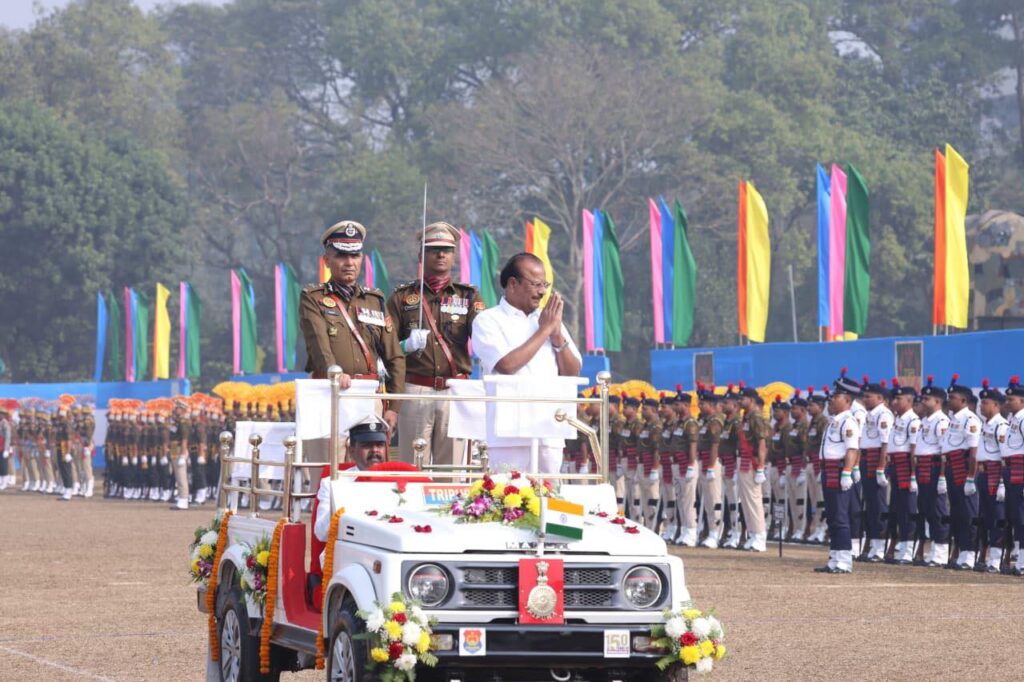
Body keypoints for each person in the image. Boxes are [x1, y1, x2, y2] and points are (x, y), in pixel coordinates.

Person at [471, 253, 582, 473]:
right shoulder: (488, 320)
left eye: (545, 285)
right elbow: (506, 365)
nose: (542, 292)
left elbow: (573, 372)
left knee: (549, 496)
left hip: (549, 426)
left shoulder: (549, 318)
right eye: (535, 284)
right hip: (508, 432)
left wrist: (557, 336)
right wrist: (544, 331)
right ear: (513, 283)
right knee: (508, 497)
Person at [387, 222, 482, 465]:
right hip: (416, 387)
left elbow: (484, 336)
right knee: (411, 465)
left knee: (451, 469)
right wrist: (405, 345)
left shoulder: (468, 296)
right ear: (421, 255)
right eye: (433, 249)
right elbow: (384, 348)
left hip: (455, 388)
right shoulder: (402, 297)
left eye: (446, 250)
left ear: (454, 255)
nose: (441, 254)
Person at [300, 220, 405, 434]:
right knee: (332, 464)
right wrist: (334, 372)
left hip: (369, 395)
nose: (349, 262)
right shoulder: (314, 297)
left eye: (355, 255)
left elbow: (394, 357)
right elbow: (319, 343)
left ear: (362, 259)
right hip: (331, 392)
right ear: (327, 261)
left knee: (368, 464)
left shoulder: (375, 300)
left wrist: (394, 407)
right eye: (341, 255)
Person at [313, 418, 390, 567]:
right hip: (350, 558)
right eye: (367, 445)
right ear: (352, 450)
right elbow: (321, 533)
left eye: (379, 445)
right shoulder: (334, 483)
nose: (375, 450)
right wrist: (347, 498)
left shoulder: (402, 480)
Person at [814, 371, 862, 574]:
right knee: (832, 516)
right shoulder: (834, 421)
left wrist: (847, 472)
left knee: (841, 516)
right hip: (828, 471)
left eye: (836, 396)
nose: (831, 399)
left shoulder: (848, 421)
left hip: (839, 472)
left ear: (847, 400)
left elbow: (852, 448)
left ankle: (844, 559)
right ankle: (834, 557)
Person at [941, 374, 982, 569]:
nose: (949, 401)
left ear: (964, 400)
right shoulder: (953, 419)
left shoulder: (970, 419)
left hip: (963, 469)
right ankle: (959, 553)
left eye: (953, 398)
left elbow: (973, 452)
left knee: (968, 513)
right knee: (956, 513)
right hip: (951, 467)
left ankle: (969, 554)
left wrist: (971, 478)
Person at [910, 376, 951, 568]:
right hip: (923, 468)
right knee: (926, 509)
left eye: (927, 399)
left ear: (937, 401)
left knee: (938, 509)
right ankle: (933, 549)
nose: (922, 402)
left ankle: (941, 551)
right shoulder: (925, 421)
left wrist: (942, 477)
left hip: (935, 468)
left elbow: (944, 452)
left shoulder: (941, 421)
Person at [885, 379, 921, 565]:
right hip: (895, 469)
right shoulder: (898, 419)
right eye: (894, 399)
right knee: (896, 510)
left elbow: (913, 450)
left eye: (899, 399)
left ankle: (907, 550)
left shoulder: (913, 421)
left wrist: (913, 475)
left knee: (908, 511)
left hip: (907, 469)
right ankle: (898, 545)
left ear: (908, 401)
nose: (894, 402)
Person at [859, 378, 894, 562]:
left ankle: (880, 545)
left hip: (876, 461)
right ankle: (873, 543)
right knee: (870, 505)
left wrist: (881, 468)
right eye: (864, 396)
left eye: (868, 396)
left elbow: (885, 443)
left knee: (879, 505)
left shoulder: (884, 415)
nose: (865, 399)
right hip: (866, 459)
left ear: (880, 397)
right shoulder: (869, 414)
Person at [977, 380, 1008, 573]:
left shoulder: (1001, 426)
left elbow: (1006, 458)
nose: (981, 405)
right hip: (983, 473)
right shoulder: (985, 425)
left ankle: (997, 559)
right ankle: (987, 556)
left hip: (996, 474)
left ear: (996, 405)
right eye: (981, 402)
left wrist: (1003, 483)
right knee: (986, 517)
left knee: (998, 517)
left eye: (985, 403)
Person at [736, 382, 768, 552]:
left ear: (751, 399)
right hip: (744, 461)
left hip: (752, 462)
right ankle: (753, 533)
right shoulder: (747, 417)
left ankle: (760, 536)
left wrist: (761, 467)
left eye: (743, 398)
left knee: (754, 500)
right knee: (746, 500)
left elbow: (762, 443)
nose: (740, 401)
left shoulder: (756, 417)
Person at [1000, 375, 1024, 576]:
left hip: (1021, 470)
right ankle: (1020, 560)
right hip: (1011, 470)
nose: (1007, 403)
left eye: (1011, 400)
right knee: (1016, 516)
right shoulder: (1013, 419)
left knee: (1022, 516)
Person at [697, 386, 725, 548]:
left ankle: (715, 532)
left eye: (703, 404)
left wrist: (711, 466)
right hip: (705, 461)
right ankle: (710, 530)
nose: (700, 406)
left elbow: (715, 444)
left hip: (712, 463)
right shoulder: (704, 420)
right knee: (707, 499)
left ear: (712, 405)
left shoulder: (715, 421)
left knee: (714, 500)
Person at [805, 387, 830, 544]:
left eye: (811, 405)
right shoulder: (812, 423)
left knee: (822, 499)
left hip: (818, 464)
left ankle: (823, 528)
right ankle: (816, 527)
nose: (809, 408)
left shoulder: (823, 422)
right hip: (810, 463)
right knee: (814, 499)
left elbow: (824, 444)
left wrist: (822, 467)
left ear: (820, 407)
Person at [785, 390, 810, 542]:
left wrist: (802, 469)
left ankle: (802, 529)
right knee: (792, 500)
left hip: (800, 466)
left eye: (795, 408)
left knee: (801, 500)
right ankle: (795, 528)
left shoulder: (805, 426)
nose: (792, 411)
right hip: (790, 466)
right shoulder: (794, 426)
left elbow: (806, 448)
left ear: (803, 410)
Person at [768, 395, 791, 540]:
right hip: (774, 466)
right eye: (774, 411)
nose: (775, 413)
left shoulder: (787, 429)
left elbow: (788, 450)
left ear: (785, 413)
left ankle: (786, 526)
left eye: (778, 411)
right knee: (776, 501)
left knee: (783, 501)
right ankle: (778, 526)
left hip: (783, 467)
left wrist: (783, 472)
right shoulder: (775, 428)